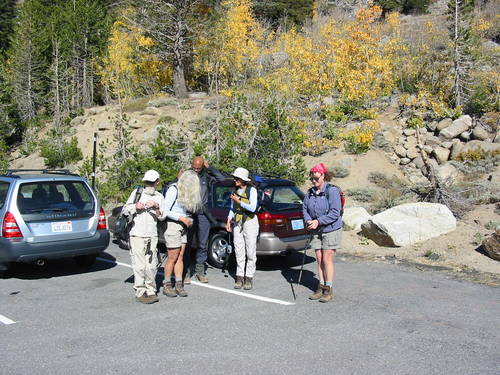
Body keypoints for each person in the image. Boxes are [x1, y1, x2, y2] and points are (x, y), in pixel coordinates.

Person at [122, 170, 165, 304]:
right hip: (137, 233)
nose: (150, 185)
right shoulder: (136, 193)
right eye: (148, 182)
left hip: (151, 235)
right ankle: (140, 291)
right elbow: (125, 209)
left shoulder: (159, 197)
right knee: (139, 264)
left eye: (152, 183)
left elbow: (162, 216)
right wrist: (135, 207)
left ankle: (151, 289)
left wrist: (156, 207)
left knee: (151, 265)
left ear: (157, 182)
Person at [302, 163, 342, 303]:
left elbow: (335, 213)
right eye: (312, 178)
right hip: (315, 229)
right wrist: (308, 220)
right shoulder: (310, 192)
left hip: (330, 229)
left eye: (316, 178)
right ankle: (321, 286)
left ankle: (328, 289)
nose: (314, 181)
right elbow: (305, 209)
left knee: (327, 258)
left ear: (323, 176)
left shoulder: (332, 191)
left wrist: (318, 221)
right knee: (319, 258)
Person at [162, 170, 202, 298]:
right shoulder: (173, 189)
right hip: (173, 225)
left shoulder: (186, 192)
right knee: (172, 257)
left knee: (180, 256)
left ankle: (179, 284)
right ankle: (167, 284)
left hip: (184, 226)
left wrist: (187, 218)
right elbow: (165, 210)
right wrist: (181, 218)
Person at [189, 156, 225, 283]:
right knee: (186, 243)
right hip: (189, 213)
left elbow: (222, 179)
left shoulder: (208, 177)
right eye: (194, 167)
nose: (196, 170)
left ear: (203, 166)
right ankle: (186, 271)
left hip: (204, 214)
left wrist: (210, 168)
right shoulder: (187, 175)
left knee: (202, 244)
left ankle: (200, 270)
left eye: (199, 168)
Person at [225, 167, 259, 290]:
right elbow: (232, 208)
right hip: (237, 223)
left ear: (243, 180)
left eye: (237, 178)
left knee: (250, 251)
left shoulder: (252, 190)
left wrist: (238, 200)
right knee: (239, 250)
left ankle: (249, 277)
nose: (235, 180)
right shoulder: (234, 190)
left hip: (250, 222)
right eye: (234, 178)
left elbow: (252, 208)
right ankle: (239, 277)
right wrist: (229, 219)